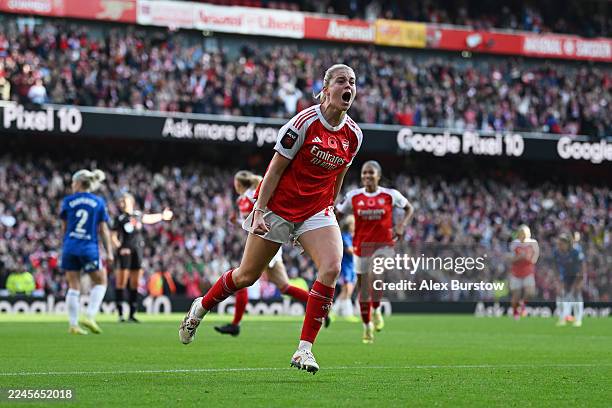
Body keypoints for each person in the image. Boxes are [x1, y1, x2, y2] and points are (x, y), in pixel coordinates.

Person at [179, 64, 362, 374]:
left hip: (316, 210)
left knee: (331, 267)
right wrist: (260, 211)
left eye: (353, 82)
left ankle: (304, 350)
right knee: (246, 276)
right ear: (327, 87)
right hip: (278, 207)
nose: (349, 86)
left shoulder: (354, 135)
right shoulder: (303, 123)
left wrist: (329, 208)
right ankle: (200, 307)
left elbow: (339, 175)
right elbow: (274, 170)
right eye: (342, 81)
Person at [214, 170, 321, 337]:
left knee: (243, 280)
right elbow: (249, 222)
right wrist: (237, 223)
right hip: (258, 242)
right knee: (283, 287)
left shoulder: (251, 196)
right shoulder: (241, 200)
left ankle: (235, 324)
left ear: (238, 184)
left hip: (265, 242)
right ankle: (319, 307)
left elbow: (264, 214)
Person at [336, 160, 414, 343]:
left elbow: (409, 208)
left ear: (378, 176)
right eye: (364, 173)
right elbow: (338, 214)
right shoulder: (353, 197)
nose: (367, 176)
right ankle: (367, 326)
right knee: (363, 290)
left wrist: (402, 224)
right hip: (360, 248)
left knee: (376, 277)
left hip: (383, 246)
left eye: (371, 173)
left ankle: (377, 308)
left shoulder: (390, 195)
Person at [60, 169, 113, 335]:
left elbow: (63, 228)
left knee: (73, 286)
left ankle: (73, 324)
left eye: (72, 183)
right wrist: (109, 252)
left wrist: (66, 245)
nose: (71, 185)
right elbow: (104, 230)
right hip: (88, 247)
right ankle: (89, 316)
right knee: (101, 281)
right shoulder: (98, 202)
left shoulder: (68, 201)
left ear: (78, 183)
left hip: (70, 246)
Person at [112, 193, 173, 322]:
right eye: (121, 202)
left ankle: (132, 314)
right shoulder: (119, 218)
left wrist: (162, 216)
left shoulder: (137, 215)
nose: (123, 203)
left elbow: (149, 218)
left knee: (135, 283)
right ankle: (120, 314)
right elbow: (113, 236)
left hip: (137, 251)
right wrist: (119, 247)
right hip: (125, 252)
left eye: (125, 201)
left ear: (131, 202)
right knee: (121, 282)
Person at [508, 225, 539, 320]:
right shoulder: (514, 244)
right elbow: (510, 259)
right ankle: (515, 312)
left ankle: (522, 304)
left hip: (528, 271)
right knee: (515, 296)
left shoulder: (533, 244)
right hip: (516, 273)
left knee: (531, 292)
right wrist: (519, 257)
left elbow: (535, 258)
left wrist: (529, 258)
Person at [554, 233, 585, 327]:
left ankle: (578, 319)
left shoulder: (576, 251)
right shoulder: (556, 252)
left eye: (561, 244)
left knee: (576, 293)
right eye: (558, 243)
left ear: (567, 243)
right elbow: (555, 266)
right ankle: (562, 317)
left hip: (577, 274)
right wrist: (558, 281)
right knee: (561, 294)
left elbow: (582, 267)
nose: (559, 246)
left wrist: (579, 282)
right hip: (565, 275)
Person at [333, 214, 357, 319]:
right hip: (345, 266)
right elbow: (349, 250)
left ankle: (335, 312)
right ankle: (347, 313)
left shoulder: (354, 236)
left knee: (347, 291)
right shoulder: (345, 236)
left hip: (353, 266)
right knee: (347, 289)